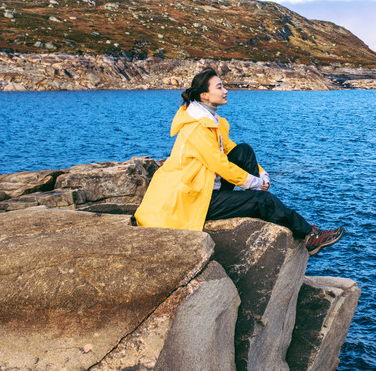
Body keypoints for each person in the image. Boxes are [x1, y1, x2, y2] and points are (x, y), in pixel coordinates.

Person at [135, 68, 344, 255]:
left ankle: (257, 201)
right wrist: (253, 183)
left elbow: (231, 150)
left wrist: (261, 174)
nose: (225, 90)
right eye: (220, 87)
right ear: (204, 95)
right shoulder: (196, 127)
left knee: (243, 150)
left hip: (206, 186)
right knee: (263, 200)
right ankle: (310, 236)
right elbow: (219, 164)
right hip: (194, 196)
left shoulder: (212, 121)